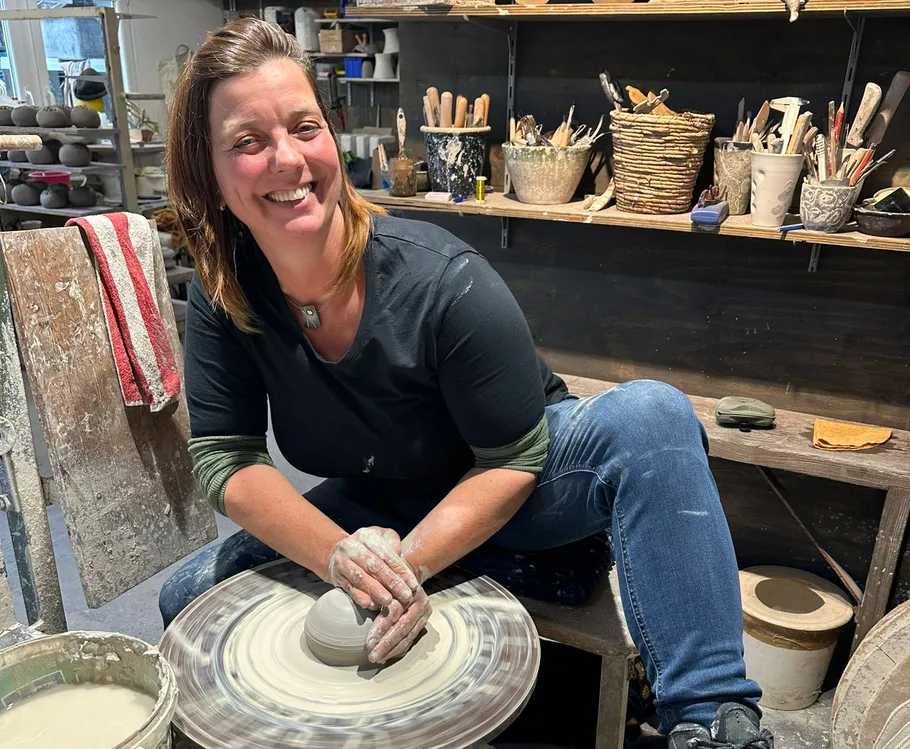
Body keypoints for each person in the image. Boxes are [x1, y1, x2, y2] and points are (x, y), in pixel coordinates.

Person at [160, 17, 773, 749]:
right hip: (380, 492)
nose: (288, 159)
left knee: (653, 418)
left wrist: (401, 569)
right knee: (185, 595)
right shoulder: (223, 288)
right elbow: (226, 459)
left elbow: (515, 457)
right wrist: (340, 554)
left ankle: (711, 718)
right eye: (248, 143)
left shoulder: (441, 278)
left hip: (513, 477)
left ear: (332, 139)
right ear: (213, 178)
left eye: (304, 127)